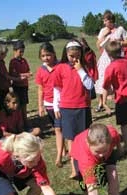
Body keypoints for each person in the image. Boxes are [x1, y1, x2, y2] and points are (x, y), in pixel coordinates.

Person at [53, 39, 94, 178]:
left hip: (82, 107)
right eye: (71, 56)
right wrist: (55, 106)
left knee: (84, 138)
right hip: (67, 108)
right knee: (71, 139)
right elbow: (57, 89)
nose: (74, 59)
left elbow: (89, 85)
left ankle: (85, 164)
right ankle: (74, 168)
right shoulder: (60, 68)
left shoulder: (85, 66)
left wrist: (81, 70)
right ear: (66, 54)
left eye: (77, 56)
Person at [70, 123, 122, 195]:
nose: (101, 155)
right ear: (88, 143)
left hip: (104, 151)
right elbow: (92, 190)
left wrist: (120, 149)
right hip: (81, 156)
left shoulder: (112, 134)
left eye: (104, 150)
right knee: (87, 188)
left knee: (113, 177)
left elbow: (117, 140)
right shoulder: (85, 158)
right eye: (98, 151)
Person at [35, 42, 65, 168]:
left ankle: (60, 153)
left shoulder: (60, 66)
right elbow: (40, 89)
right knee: (56, 126)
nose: (46, 58)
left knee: (59, 128)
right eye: (43, 56)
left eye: (48, 55)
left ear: (53, 54)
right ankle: (63, 147)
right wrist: (40, 106)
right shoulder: (41, 71)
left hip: (60, 102)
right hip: (48, 103)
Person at [94, 10, 127, 113]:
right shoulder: (103, 30)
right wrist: (104, 36)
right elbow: (98, 45)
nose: (104, 23)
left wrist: (119, 42)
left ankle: (120, 101)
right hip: (105, 58)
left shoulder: (120, 29)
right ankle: (101, 103)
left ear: (111, 20)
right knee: (102, 80)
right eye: (104, 21)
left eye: (106, 21)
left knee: (118, 80)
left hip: (117, 58)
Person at [9, 40, 32, 129]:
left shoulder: (24, 60)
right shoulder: (13, 61)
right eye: (20, 51)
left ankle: (25, 122)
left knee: (24, 105)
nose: (22, 53)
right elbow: (13, 74)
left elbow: (28, 70)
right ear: (15, 51)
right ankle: (20, 124)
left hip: (24, 86)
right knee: (18, 106)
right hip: (17, 87)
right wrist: (25, 74)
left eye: (23, 51)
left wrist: (27, 73)